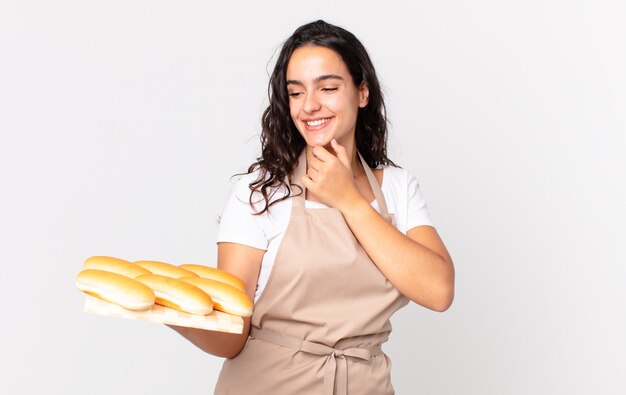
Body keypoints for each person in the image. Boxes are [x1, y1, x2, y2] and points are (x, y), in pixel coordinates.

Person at [169, 20, 455, 394]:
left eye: (329, 87)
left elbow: (438, 291)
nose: (310, 106)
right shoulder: (260, 193)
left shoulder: (398, 189)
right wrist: (171, 310)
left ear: (362, 92)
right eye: (296, 92)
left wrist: (349, 200)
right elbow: (231, 337)